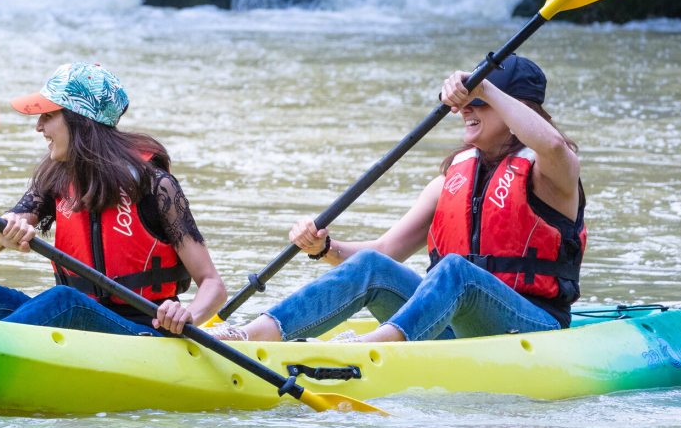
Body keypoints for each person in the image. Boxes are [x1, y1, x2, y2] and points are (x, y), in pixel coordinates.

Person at [214, 55, 584, 345]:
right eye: (466, 101)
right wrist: (324, 248)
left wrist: (486, 88)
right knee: (373, 264)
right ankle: (253, 333)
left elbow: (551, 142)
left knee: (455, 269)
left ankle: (374, 347)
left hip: (531, 325)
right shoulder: (454, 177)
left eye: (480, 102)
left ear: (514, 107)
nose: (467, 109)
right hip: (455, 323)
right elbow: (388, 248)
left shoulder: (552, 171)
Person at [0, 62, 226, 336]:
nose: (39, 126)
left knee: (64, 299)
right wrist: (1, 234)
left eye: (48, 115)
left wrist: (186, 315)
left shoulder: (156, 186)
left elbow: (213, 284)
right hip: (80, 324)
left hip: (143, 331)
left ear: (80, 121)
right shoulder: (55, 179)